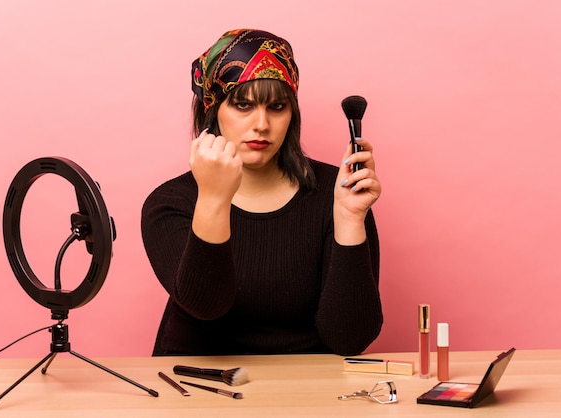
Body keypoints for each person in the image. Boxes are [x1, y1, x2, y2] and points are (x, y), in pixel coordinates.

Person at [141, 29, 383, 356]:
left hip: (306, 391)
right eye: (243, 105)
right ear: (213, 111)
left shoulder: (338, 193)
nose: (262, 124)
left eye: (277, 107)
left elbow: (350, 339)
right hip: (196, 386)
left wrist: (349, 219)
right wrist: (213, 198)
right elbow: (206, 305)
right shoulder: (170, 204)